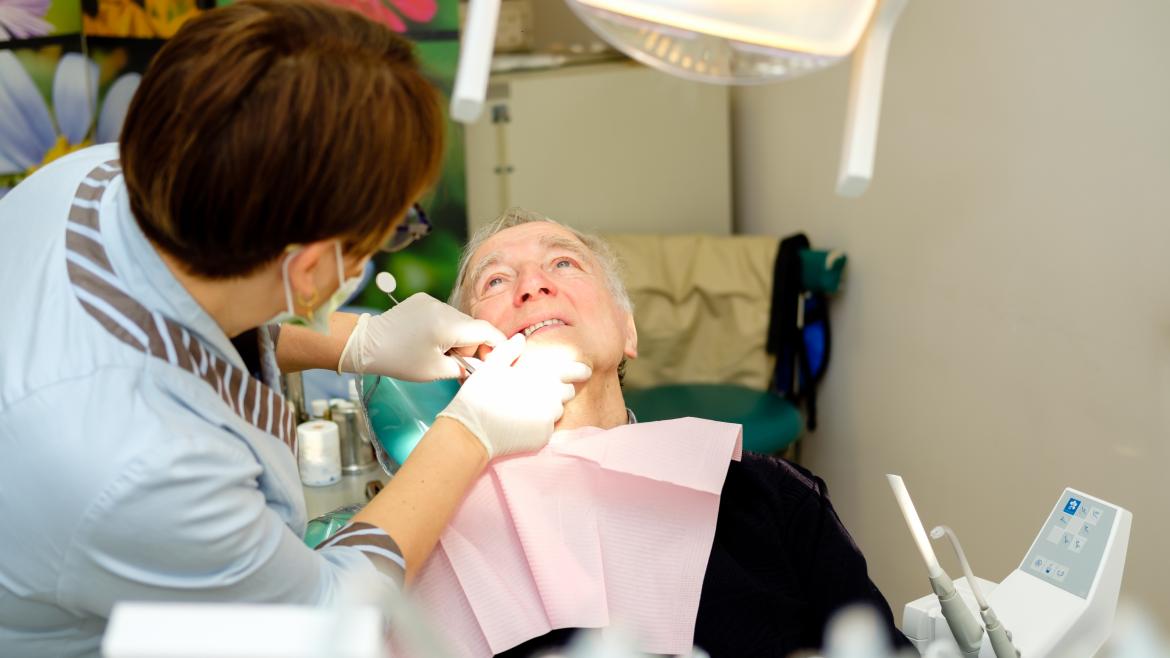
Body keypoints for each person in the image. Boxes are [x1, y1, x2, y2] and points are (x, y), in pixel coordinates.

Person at [0, 4, 588, 656]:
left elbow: (182, 322)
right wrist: (467, 435)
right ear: (310, 267)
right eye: (394, 229)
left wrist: (351, 343)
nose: (532, 286)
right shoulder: (142, 466)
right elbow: (325, 618)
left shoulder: (102, 174)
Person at [432, 208, 912, 656]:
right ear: (463, 359)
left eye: (562, 263)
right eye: (495, 280)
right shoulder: (432, 534)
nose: (532, 285)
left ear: (628, 332)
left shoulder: (774, 497)